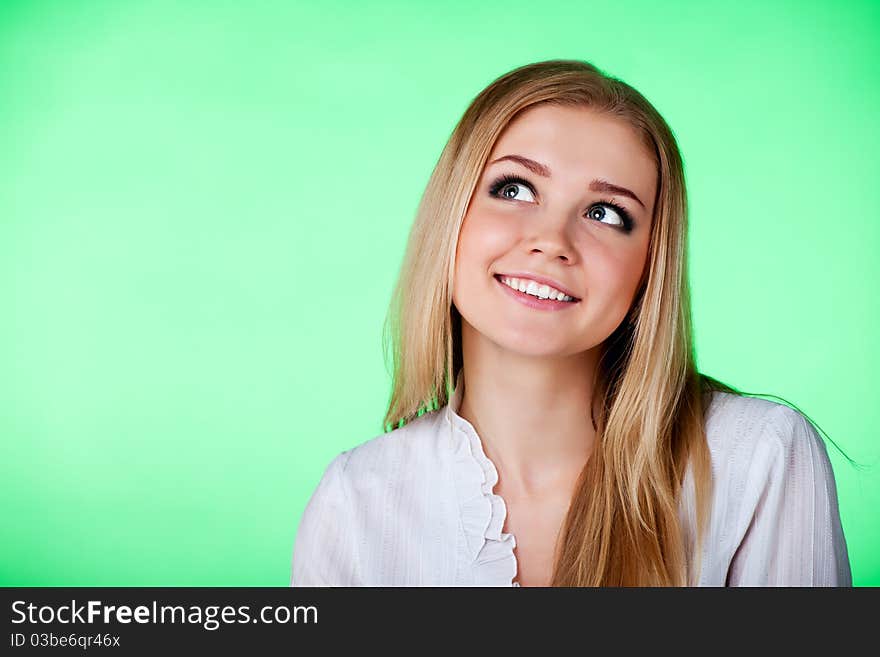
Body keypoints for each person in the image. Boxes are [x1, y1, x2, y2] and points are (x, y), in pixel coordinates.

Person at [289, 59, 852, 587]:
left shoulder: (760, 458)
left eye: (606, 213)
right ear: (451, 217)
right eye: (514, 189)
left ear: (649, 267)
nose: (552, 241)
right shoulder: (355, 501)